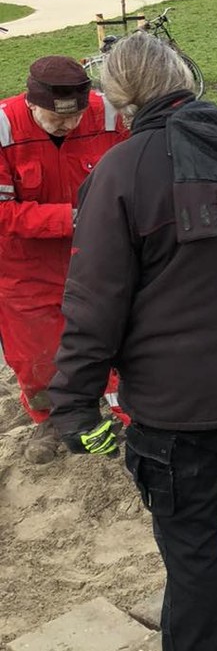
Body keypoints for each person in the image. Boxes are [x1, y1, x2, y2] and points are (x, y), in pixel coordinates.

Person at [48, 33, 217, 651]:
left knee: (192, 545)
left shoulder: (121, 170)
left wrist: (75, 406)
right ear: (182, 77)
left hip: (178, 410)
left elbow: (93, 306)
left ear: (119, 97)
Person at [0, 55, 127, 464]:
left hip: (95, 257)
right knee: (34, 352)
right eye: (57, 121)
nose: (70, 127)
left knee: (116, 336)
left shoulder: (109, 116)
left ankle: (126, 411)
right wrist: (69, 218)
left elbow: (134, 171)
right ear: (31, 104)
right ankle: (50, 416)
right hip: (23, 269)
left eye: (76, 118)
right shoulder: (3, 129)